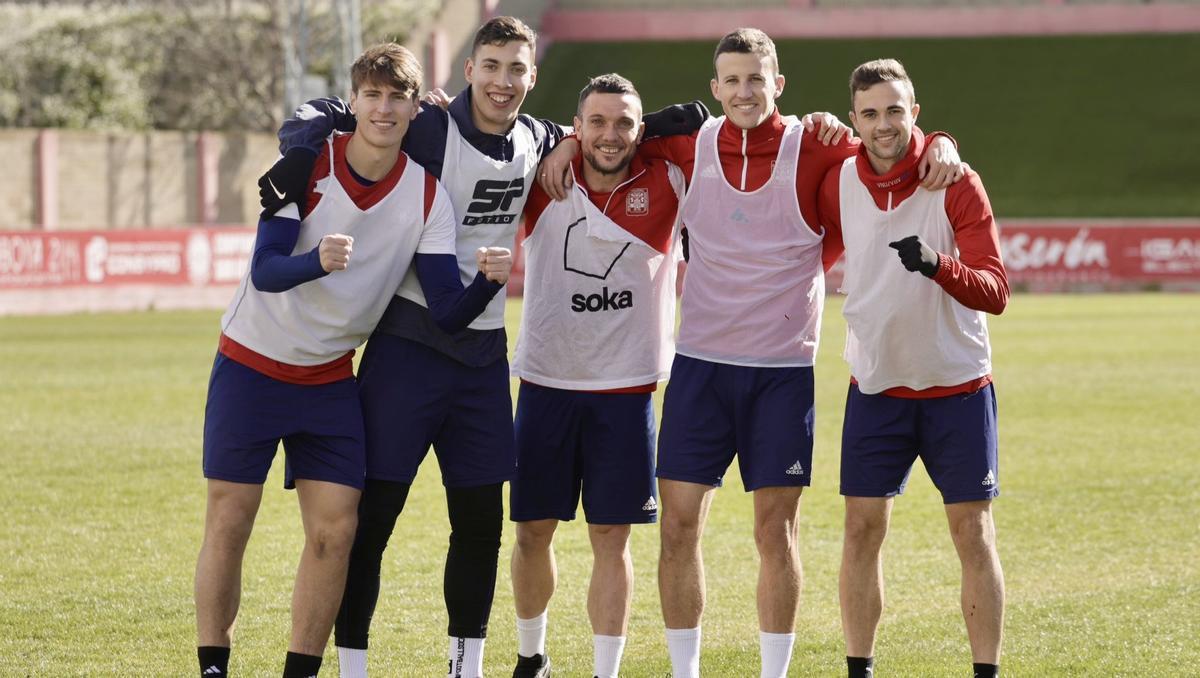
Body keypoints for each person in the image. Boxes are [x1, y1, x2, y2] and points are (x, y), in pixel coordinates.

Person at [257, 17, 708, 678]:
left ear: (532, 76)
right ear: (469, 70)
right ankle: (352, 668)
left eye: (516, 68)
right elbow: (333, 110)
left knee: (479, 526)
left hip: (482, 358)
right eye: (491, 66)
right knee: (372, 521)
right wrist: (299, 146)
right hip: (407, 345)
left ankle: (464, 669)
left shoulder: (538, 138)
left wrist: (571, 140)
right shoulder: (429, 126)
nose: (503, 81)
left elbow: (644, 127)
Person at [537, 27, 963, 678]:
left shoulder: (817, 146)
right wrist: (569, 141)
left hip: (781, 374)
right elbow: (612, 134)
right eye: (732, 80)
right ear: (715, 88)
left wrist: (942, 143)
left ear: (777, 84)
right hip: (700, 370)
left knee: (775, 533)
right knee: (679, 527)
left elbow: (891, 144)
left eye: (756, 79)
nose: (744, 92)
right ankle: (685, 672)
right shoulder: (688, 144)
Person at [195, 43, 511, 678]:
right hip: (252, 364)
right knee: (231, 520)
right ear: (354, 101)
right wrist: (316, 261)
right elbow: (265, 270)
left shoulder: (427, 197)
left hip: (329, 380)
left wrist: (485, 284)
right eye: (372, 96)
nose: (384, 110)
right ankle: (213, 667)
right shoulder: (307, 163)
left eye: (398, 98)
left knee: (336, 533)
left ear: (417, 108)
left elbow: (446, 311)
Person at [817, 58, 1008, 678]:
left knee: (973, 534)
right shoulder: (837, 178)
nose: (884, 125)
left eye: (895, 110)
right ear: (853, 120)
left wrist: (936, 264)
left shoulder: (955, 181)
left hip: (957, 387)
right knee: (860, 532)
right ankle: (859, 669)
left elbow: (995, 291)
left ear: (915, 113)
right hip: (876, 387)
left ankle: (985, 671)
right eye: (870, 113)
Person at [508, 73, 686, 678]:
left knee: (612, 539)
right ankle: (531, 657)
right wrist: (559, 144)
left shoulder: (668, 178)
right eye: (597, 123)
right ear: (576, 126)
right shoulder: (541, 176)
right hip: (546, 383)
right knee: (532, 532)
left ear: (641, 129)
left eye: (625, 123)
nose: (611, 135)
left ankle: (605, 672)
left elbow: (700, 122)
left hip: (626, 390)